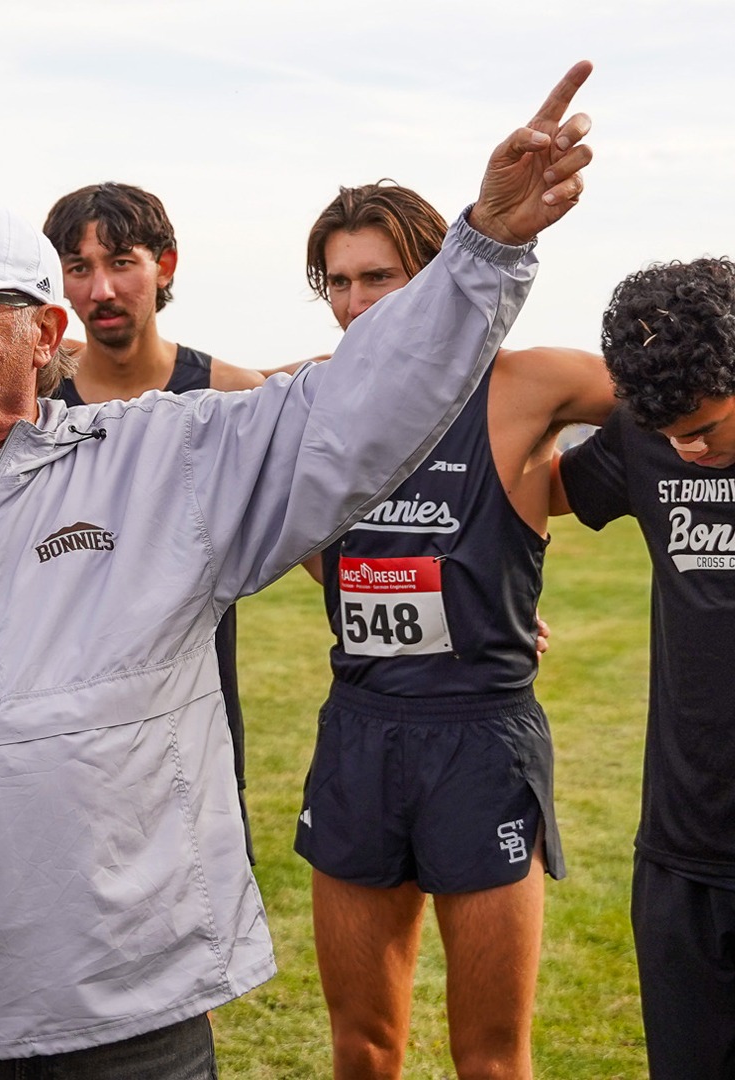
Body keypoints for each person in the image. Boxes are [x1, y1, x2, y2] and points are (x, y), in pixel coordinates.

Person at [0, 61, 592, 1080]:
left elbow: (357, 411)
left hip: (135, 1022)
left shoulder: (168, 462)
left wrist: (485, 249)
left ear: (44, 332)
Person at [291, 180, 616, 1080]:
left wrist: (503, 568)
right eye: (338, 282)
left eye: (379, 278)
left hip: (479, 739)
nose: (355, 304)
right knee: (361, 1048)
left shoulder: (527, 384)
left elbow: (678, 398)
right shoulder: (309, 398)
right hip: (358, 734)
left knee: (491, 1058)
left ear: (438, 276)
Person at [42, 181, 271, 862]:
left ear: (164, 266)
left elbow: (324, 543)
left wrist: (467, 609)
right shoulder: (34, 397)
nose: (101, 290)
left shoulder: (230, 396)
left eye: (121, 263)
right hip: (61, 724)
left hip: (192, 722)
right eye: (79, 269)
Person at [554, 257, 735, 1079]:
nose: (686, 449)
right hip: (683, 840)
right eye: (668, 434)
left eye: (705, 426)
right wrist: (501, 592)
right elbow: (535, 483)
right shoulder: (644, 433)